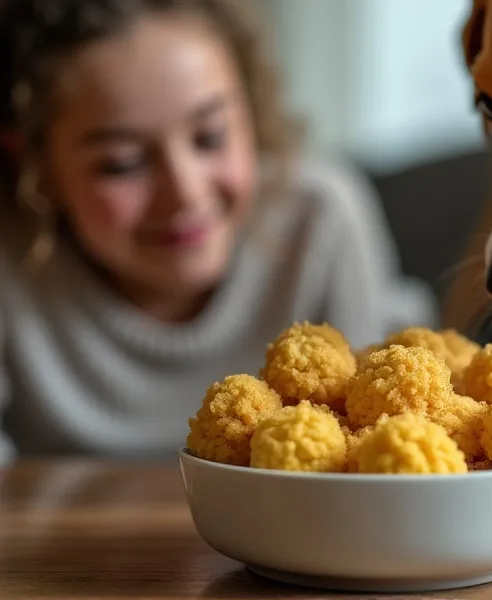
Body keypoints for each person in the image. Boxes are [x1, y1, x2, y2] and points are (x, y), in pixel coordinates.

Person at [0, 0, 436, 462]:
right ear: (35, 164)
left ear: (251, 112)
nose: (185, 193)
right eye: (121, 163)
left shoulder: (318, 220)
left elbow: (371, 451)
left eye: (210, 137)